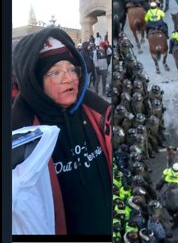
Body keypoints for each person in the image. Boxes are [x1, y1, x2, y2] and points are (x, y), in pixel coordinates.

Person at [12, 27, 113, 235]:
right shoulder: (21, 137)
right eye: (55, 72)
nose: (69, 79)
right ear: (35, 81)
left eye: (71, 69)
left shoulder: (98, 112)